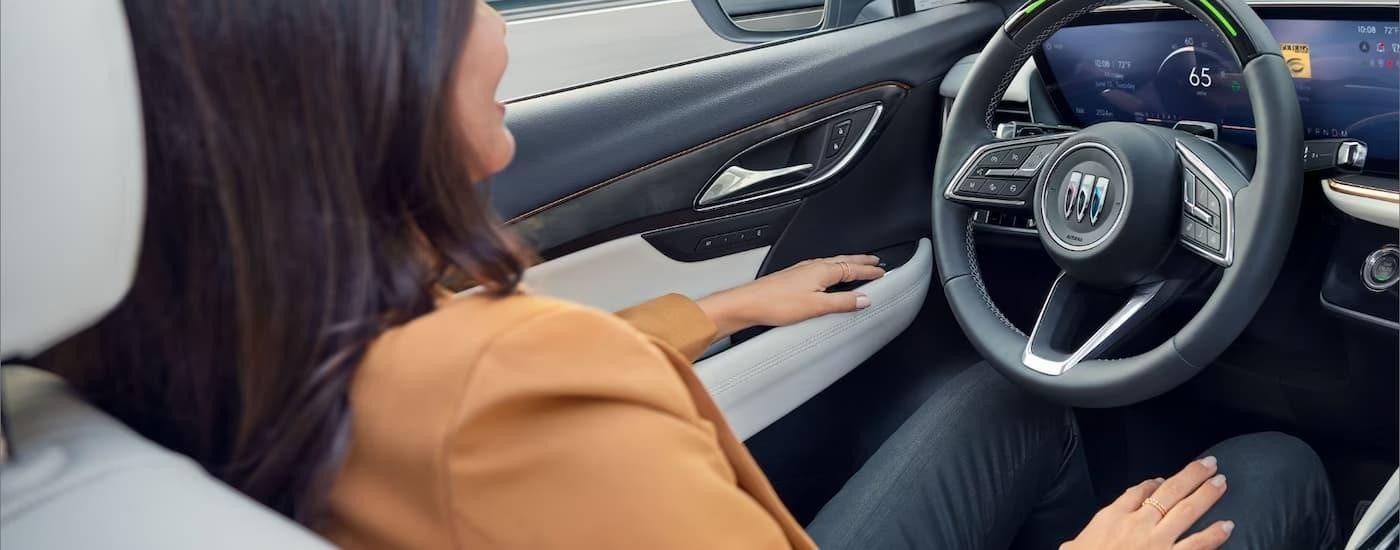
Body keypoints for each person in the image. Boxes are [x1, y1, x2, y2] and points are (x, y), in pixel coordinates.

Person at [44, 1, 1336, 548]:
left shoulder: (162, 355)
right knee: (1279, 473)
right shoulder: (498, 386)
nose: (497, 24)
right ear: (342, 82)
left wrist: (717, 307)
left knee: (1011, 401)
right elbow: (494, 399)